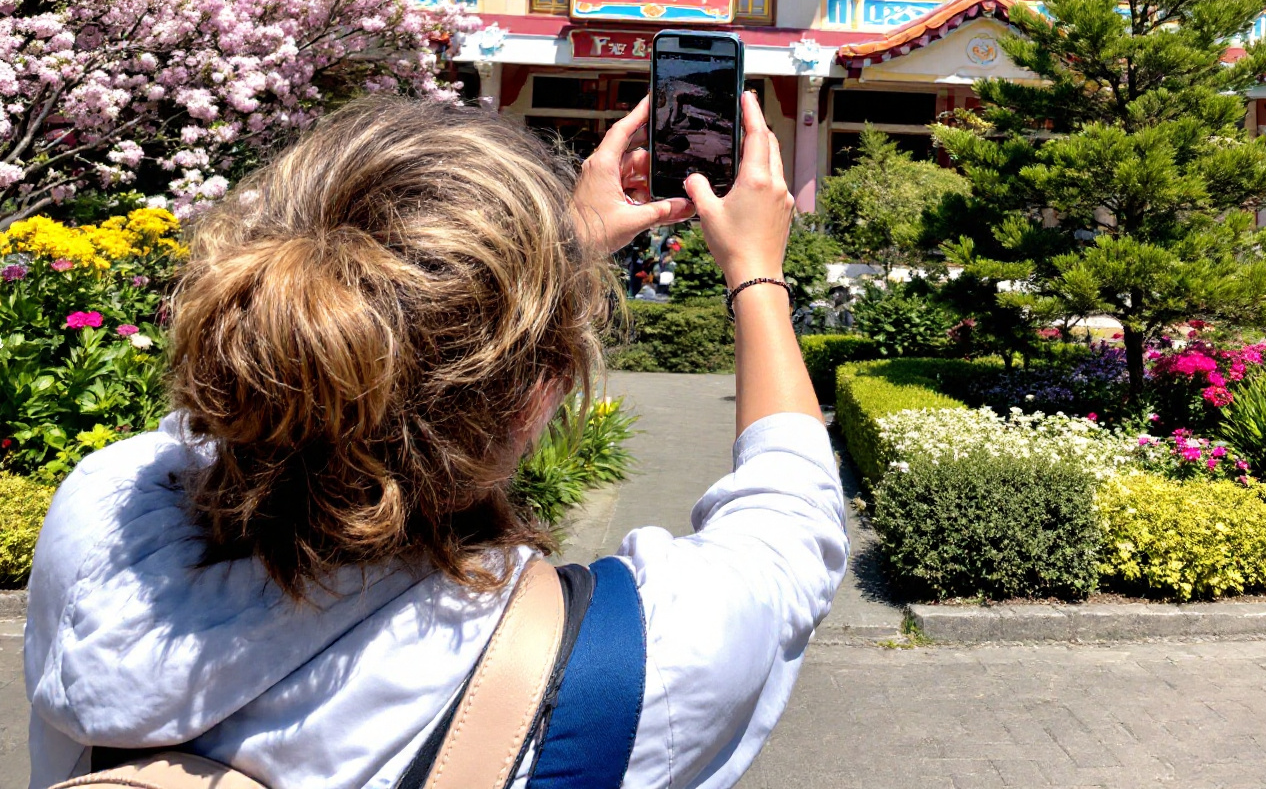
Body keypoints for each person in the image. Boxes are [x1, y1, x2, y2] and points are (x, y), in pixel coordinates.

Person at [24, 91, 845, 789]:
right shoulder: (631, 666)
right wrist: (755, 270)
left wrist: (546, 259)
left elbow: (226, 414)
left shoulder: (101, 522)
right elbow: (790, 520)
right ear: (540, 397)